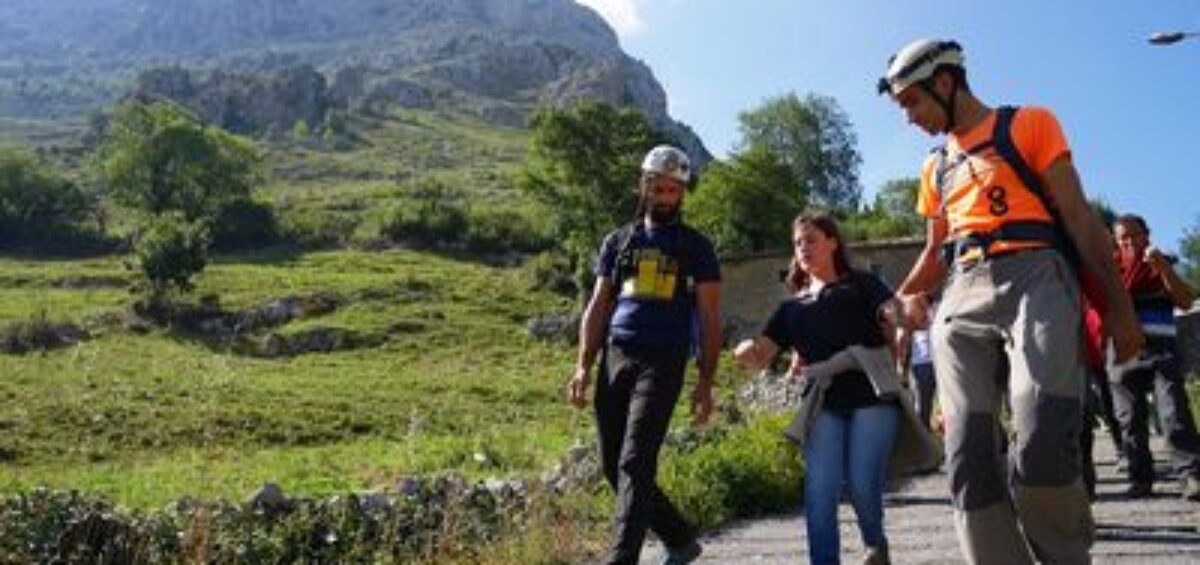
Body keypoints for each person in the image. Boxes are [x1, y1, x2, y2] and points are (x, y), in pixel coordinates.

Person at [878, 38, 1144, 563]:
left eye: (912, 101)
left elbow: (1081, 219)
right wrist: (899, 299)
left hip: (1036, 275)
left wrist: (1120, 309)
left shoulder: (1029, 124)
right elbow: (935, 252)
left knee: (1043, 426)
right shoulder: (935, 168)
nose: (908, 117)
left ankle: (1064, 553)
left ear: (945, 83)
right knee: (967, 453)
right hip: (962, 288)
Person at [566, 144, 721, 565]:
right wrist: (583, 366)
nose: (665, 197)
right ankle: (679, 538)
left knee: (635, 462)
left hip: (665, 359)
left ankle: (622, 559)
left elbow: (710, 317)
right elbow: (599, 305)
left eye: (673, 190)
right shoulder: (618, 242)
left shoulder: (696, 247)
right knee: (612, 465)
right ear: (644, 185)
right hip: (616, 355)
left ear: (682, 193)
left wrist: (706, 383)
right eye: (658, 187)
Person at [734, 214, 907, 565]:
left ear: (833, 243)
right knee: (819, 491)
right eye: (798, 243)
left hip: (872, 395)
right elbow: (761, 357)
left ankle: (876, 543)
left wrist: (899, 314)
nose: (803, 248)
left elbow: (891, 310)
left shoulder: (863, 284)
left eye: (811, 240)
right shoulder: (791, 308)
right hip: (823, 402)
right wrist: (745, 352)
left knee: (862, 485)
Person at [1108, 213, 1200, 500]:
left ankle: (1191, 475)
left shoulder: (1162, 264)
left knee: (1174, 411)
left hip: (1161, 348)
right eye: (1123, 238)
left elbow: (1185, 300)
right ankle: (1140, 479)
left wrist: (1164, 269)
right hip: (1122, 351)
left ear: (1147, 236)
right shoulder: (1109, 270)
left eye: (1134, 236)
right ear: (1116, 242)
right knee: (1129, 419)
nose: (1129, 243)